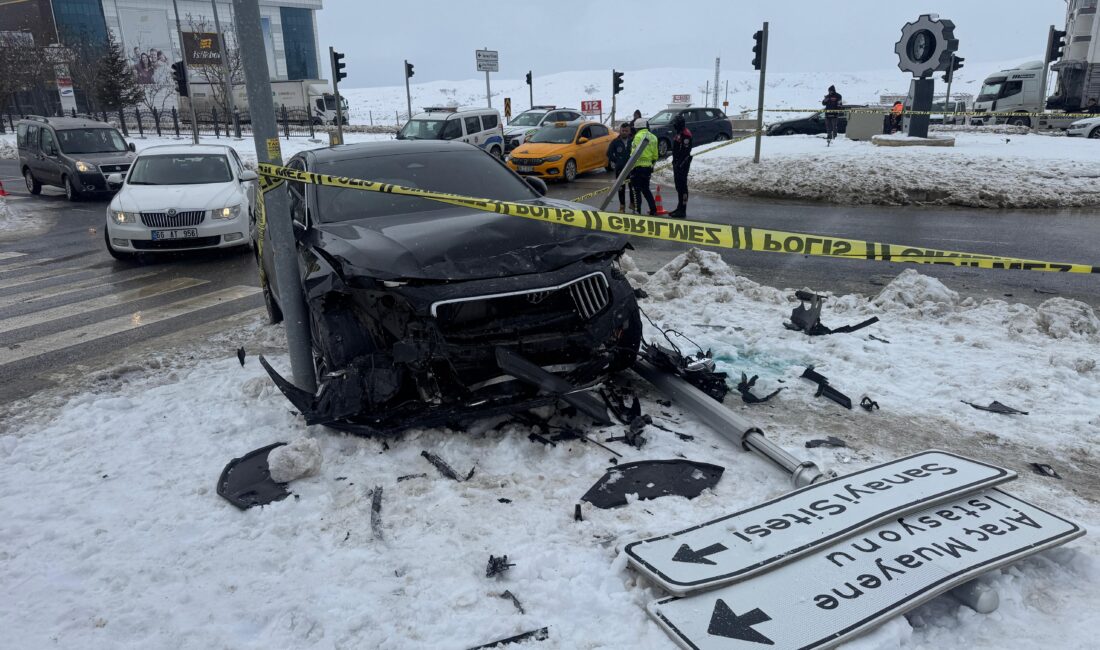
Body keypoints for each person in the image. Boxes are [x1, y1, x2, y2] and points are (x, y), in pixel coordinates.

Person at [629, 118, 659, 215]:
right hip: (648, 167)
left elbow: (634, 154)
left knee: (636, 190)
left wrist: (631, 167)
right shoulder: (653, 137)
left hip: (637, 167)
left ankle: (637, 211)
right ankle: (653, 210)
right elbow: (655, 155)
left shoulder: (637, 137)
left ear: (636, 128)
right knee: (646, 189)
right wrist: (651, 165)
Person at [668, 113, 693, 218]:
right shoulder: (679, 133)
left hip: (683, 163)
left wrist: (680, 163)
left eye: (675, 123)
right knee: (678, 186)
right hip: (677, 162)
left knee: (682, 187)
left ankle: (683, 209)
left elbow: (685, 151)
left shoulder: (686, 134)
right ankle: (679, 207)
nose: (674, 125)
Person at [606, 122, 634, 212]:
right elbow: (609, 153)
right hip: (620, 169)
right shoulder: (615, 141)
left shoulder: (633, 141)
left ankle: (632, 204)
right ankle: (622, 206)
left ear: (629, 131)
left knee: (632, 187)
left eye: (626, 131)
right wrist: (617, 161)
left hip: (631, 169)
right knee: (621, 188)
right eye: (623, 131)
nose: (624, 132)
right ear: (620, 131)